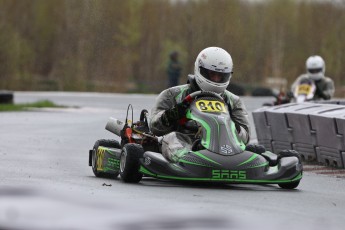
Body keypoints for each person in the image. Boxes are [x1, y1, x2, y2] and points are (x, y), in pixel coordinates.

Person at [150, 47, 250, 161]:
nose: (216, 79)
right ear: (200, 70)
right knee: (171, 138)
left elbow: (245, 138)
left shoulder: (233, 101)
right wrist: (172, 115)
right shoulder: (172, 94)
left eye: (220, 76)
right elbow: (154, 127)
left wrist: (231, 126)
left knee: (256, 151)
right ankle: (187, 159)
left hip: (224, 146)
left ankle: (212, 158)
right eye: (212, 74)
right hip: (185, 142)